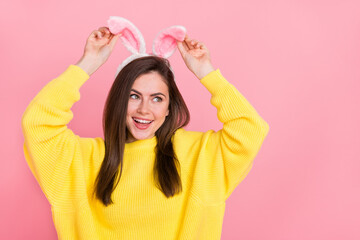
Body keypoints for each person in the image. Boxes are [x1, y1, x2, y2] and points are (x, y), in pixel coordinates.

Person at [21, 26, 269, 240]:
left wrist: (206, 71)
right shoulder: (82, 159)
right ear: (119, 100)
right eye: (133, 95)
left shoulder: (200, 155)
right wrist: (87, 64)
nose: (144, 109)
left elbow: (249, 128)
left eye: (157, 99)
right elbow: (37, 123)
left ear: (169, 108)